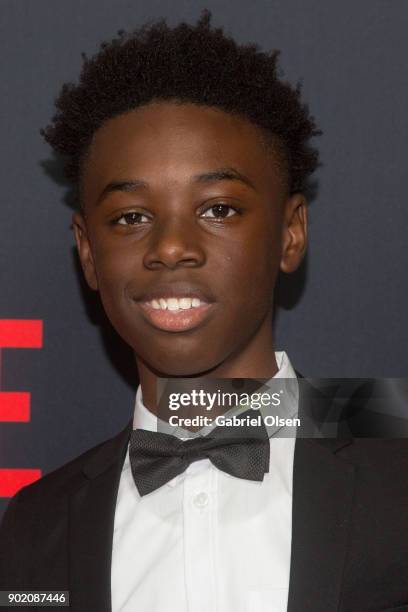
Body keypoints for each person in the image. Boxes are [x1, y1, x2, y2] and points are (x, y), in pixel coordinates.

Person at [1, 10, 408, 612]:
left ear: (291, 234)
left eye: (218, 209)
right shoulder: (30, 532)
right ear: (88, 253)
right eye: (131, 217)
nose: (170, 248)